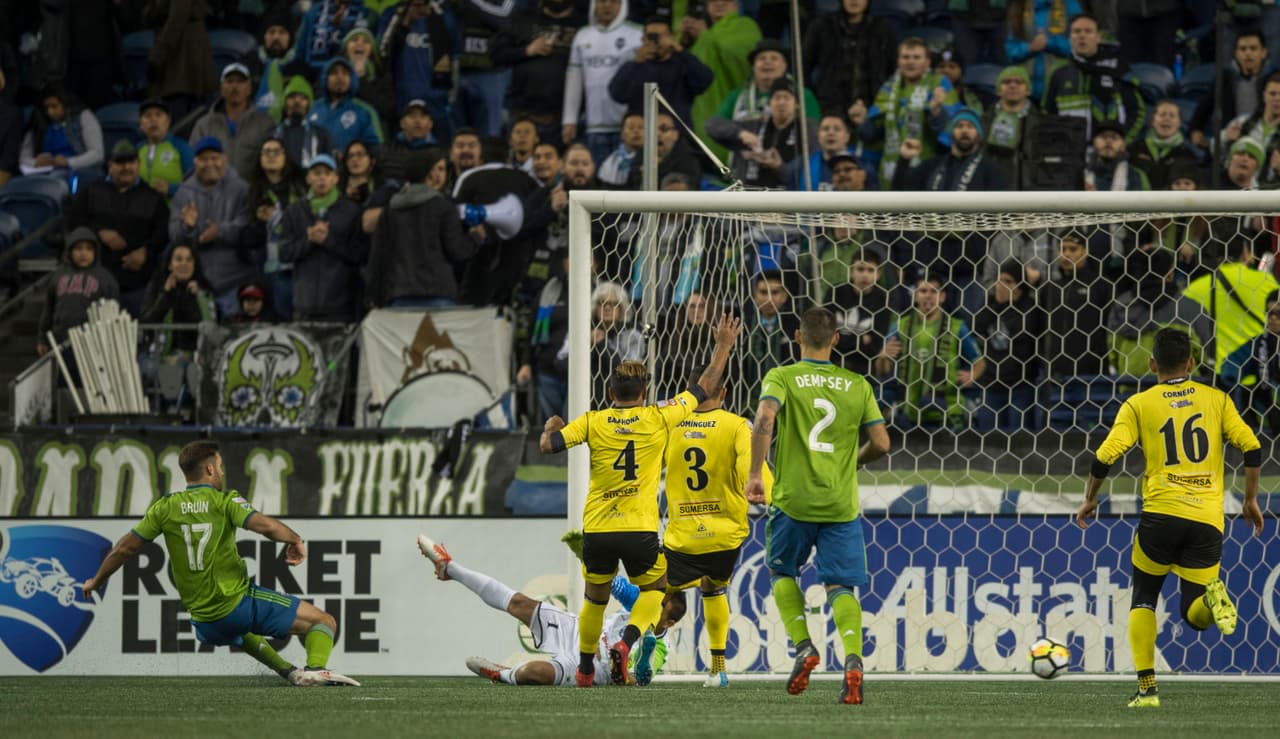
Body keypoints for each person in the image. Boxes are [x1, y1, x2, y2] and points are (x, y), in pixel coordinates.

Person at [538, 314, 740, 687]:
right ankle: (627, 643)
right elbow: (705, 385)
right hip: (640, 528)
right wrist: (723, 345)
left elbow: (550, 446)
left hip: (598, 527)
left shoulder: (593, 420)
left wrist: (552, 426)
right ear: (645, 392)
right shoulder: (659, 417)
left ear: (612, 392)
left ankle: (584, 671)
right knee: (656, 591)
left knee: (594, 601)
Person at [1077, 327, 1263, 708]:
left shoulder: (1138, 404)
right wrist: (1250, 500)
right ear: (1191, 363)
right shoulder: (1217, 399)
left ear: (1151, 364)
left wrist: (1090, 499)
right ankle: (1212, 598)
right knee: (1194, 617)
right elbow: (1253, 447)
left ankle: (1147, 690)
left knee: (1144, 598)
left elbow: (1105, 456)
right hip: (1208, 518)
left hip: (1161, 514)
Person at [81, 440, 360, 687]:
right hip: (234, 604)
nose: (223, 472)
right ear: (211, 469)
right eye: (221, 466)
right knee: (323, 622)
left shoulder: (164, 507)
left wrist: (96, 581)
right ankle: (315, 670)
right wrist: (295, 539)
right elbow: (263, 526)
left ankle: (290, 673)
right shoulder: (224, 501)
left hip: (204, 622)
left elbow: (123, 549)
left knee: (238, 633)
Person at [745, 307, 891, 705]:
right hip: (839, 504)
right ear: (836, 340)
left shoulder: (783, 376)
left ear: (797, 337)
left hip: (793, 501)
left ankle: (804, 648)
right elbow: (881, 443)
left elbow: (764, 417)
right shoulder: (857, 384)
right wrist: (853, 461)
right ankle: (853, 662)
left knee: (780, 571)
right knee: (840, 586)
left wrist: (756, 473)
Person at [415, 534, 687, 686]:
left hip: (592, 669)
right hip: (580, 633)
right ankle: (450, 568)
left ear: (670, 622)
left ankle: (502, 674)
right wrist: (585, 555)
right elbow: (613, 583)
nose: (656, 602)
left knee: (533, 673)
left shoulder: (660, 649)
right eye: (660, 598)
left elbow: (637, 680)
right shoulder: (642, 600)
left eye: (662, 606)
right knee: (520, 603)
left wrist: (629, 666)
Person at [662, 365, 772, 687]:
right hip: (725, 535)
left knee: (658, 594)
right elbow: (751, 466)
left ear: (689, 391)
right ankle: (718, 669)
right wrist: (768, 491)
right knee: (714, 589)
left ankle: (646, 651)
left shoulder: (672, 423)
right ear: (723, 392)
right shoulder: (738, 426)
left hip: (682, 535)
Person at [67, 140, 170, 318]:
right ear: (110, 166)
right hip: (95, 286)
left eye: (131, 162)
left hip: (138, 286)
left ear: (138, 165)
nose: (126, 167)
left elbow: (164, 232)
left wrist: (146, 251)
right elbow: (73, 223)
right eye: (120, 163)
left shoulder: (153, 198)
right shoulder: (91, 192)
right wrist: (99, 233)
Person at [875, 273, 986, 429]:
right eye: (923, 291)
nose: (928, 296)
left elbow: (980, 362)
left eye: (934, 291)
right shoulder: (900, 326)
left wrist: (972, 375)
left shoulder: (957, 327)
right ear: (915, 295)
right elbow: (882, 371)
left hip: (948, 409)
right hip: (910, 409)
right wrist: (882, 356)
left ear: (942, 297)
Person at [169, 137, 251, 318]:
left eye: (214, 158)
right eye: (204, 159)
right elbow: (174, 236)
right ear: (195, 162)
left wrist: (219, 231)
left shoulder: (242, 189)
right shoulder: (183, 193)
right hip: (198, 285)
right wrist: (187, 227)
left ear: (224, 160)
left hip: (234, 282)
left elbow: (249, 227)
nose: (209, 164)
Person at [279, 154, 367, 322]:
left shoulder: (351, 211)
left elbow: (360, 254)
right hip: (304, 307)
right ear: (308, 178)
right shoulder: (294, 211)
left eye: (327, 173)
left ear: (335, 178)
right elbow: (284, 252)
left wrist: (328, 241)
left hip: (340, 307)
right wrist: (309, 241)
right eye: (316, 173)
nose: (321, 178)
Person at [1042, 13, 1146, 145]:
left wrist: (1123, 141)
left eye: (1088, 31)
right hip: (1070, 153)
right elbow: (1048, 115)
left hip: (1110, 153)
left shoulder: (1119, 69)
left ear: (1098, 37)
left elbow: (1137, 112)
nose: (1082, 36)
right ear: (1070, 38)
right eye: (1076, 31)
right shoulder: (1058, 72)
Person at [561, 0, 642, 165]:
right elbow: (574, 80)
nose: (607, 6)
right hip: (594, 127)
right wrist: (569, 119)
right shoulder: (583, 36)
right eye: (601, 1)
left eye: (614, 1)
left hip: (628, 128)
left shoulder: (637, 34)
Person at [802, 0, 896, 126]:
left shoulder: (883, 28)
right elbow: (802, 66)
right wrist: (814, 98)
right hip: (829, 110)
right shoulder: (822, 26)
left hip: (872, 109)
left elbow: (894, 70)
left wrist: (880, 102)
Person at [608, 17, 714, 127]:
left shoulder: (682, 64)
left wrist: (680, 50)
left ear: (671, 38)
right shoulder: (634, 66)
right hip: (642, 133)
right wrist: (636, 64)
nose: (656, 41)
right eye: (651, 36)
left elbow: (705, 82)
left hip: (676, 133)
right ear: (643, 39)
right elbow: (617, 95)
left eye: (661, 36)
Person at [36, 228, 120, 358]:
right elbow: (48, 310)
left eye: (88, 249)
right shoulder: (58, 276)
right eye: (78, 249)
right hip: (61, 341)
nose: (83, 253)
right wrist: (42, 338)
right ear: (69, 251)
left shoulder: (106, 279)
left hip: (94, 344)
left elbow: (114, 315)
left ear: (95, 252)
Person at [190, 64, 276, 178]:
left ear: (249, 88)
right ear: (221, 88)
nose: (235, 87)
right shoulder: (204, 125)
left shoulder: (265, 124)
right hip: (213, 193)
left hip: (252, 193)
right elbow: (192, 162)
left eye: (240, 82)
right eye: (230, 81)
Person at [309, 57, 385, 157]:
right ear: (325, 78)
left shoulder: (364, 111)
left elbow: (376, 147)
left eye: (345, 73)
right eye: (334, 73)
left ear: (352, 79)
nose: (340, 77)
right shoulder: (312, 108)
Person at [137, 98, 195, 204]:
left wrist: (170, 189)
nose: (153, 120)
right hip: (141, 214)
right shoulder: (137, 150)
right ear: (141, 124)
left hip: (174, 213)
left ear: (168, 121)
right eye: (147, 116)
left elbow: (196, 185)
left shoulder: (181, 147)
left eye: (158, 115)